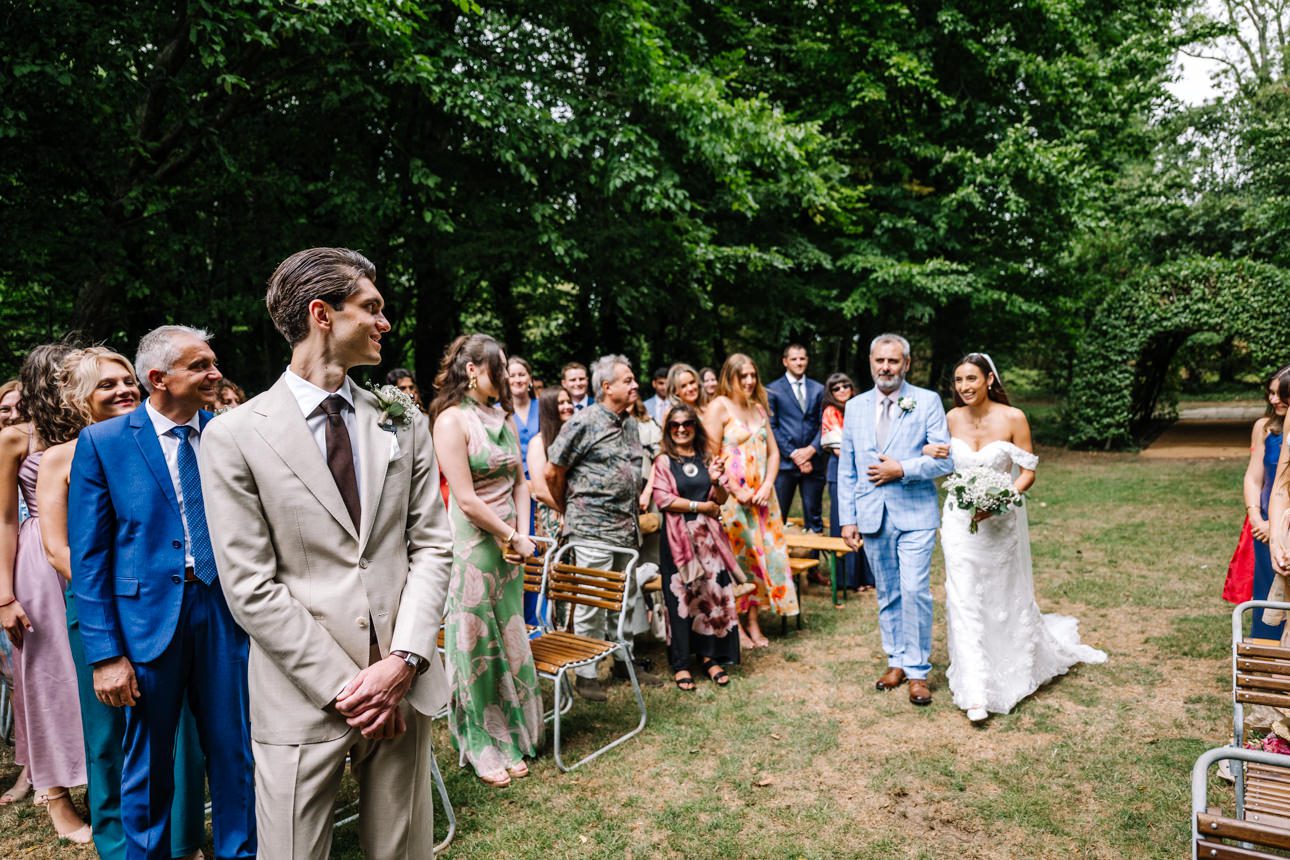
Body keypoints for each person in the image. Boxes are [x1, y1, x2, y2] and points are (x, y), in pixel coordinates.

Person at [200, 247, 452, 857]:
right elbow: (249, 586)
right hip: (301, 692)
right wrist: (354, 689)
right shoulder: (236, 435)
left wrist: (403, 663)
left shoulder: (403, 421)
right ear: (322, 314)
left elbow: (432, 545)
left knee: (401, 850)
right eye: (371, 308)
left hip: (403, 676)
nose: (384, 323)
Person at [69, 326, 255, 860]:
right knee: (147, 759)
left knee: (233, 749)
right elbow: (89, 557)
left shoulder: (228, 434)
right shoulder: (103, 444)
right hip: (146, 621)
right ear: (159, 379)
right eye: (200, 366)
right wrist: (105, 655)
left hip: (224, 609)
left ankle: (239, 852)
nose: (214, 374)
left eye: (213, 363)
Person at [38, 347, 207, 860]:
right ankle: (117, 841)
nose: (122, 391)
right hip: (100, 607)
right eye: (105, 385)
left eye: (125, 381)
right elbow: (56, 546)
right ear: (79, 398)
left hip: (167, 604)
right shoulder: (62, 456)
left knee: (182, 732)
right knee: (110, 730)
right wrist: (112, 600)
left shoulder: (158, 441)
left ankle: (182, 841)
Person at [927, 354, 1106, 722]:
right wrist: (930, 450)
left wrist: (1001, 499)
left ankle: (1012, 669)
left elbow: (1028, 471)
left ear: (989, 379)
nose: (964, 387)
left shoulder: (1014, 417)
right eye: (958, 380)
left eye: (971, 379)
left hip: (1000, 521)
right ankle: (975, 688)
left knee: (1001, 594)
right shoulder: (949, 418)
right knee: (963, 598)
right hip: (960, 523)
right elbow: (941, 460)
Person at [430, 334, 543, 789]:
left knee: (511, 635)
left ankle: (513, 735)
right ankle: (481, 742)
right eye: (498, 368)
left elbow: (521, 480)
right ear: (472, 370)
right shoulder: (450, 421)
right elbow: (465, 498)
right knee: (477, 645)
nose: (505, 377)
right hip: (474, 546)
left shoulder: (504, 416)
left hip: (511, 548)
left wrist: (522, 533)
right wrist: (508, 534)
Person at [0, 343, 90, 842]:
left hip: (93, 549)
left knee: (90, 671)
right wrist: (5, 597)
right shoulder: (16, 438)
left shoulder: (94, 428)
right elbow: (5, 518)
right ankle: (55, 796)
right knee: (47, 675)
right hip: (37, 560)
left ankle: (98, 778)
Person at [838, 334, 954, 708]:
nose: (885, 367)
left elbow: (944, 460)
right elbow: (848, 468)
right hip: (872, 514)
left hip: (916, 513)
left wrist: (902, 468)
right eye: (879, 361)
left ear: (906, 364)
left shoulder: (927, 401)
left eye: (893, 361)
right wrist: (847, 519)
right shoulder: (854, 407)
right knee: (887, 592)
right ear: (871, 363)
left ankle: (918, 670)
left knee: (915, 590)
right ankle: (896, 660)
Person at [545, 354, 661, 700]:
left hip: (626, 529)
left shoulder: (629, 424)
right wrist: (568, 508)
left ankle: (622, 659)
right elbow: (554, 471)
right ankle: (586, 674)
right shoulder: (585, 422)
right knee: (592, 603)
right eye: (628, 380)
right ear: (607, 387)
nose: (635, 385)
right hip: (592, 530)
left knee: (623, 601)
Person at [702, 353, 799, 649]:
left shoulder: (758, 408)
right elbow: (710, 456)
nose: (748, 381)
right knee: (737, 562)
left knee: (761, 560)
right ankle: (736, 626)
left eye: (752, 375)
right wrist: (734, 489)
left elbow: (773, 452)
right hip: (732, 500)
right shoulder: (718, 407)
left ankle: (754, 621)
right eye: (741, 376)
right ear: (728, 377)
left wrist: (768, 485)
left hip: (762, 499)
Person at [651, 403, 741, 690]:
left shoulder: (706, 458)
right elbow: (663, 499)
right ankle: (680, 664)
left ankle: (710, 657)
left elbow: (722, 498)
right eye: (675, 425)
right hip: (677, 541)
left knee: (710, 597)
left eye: (687, 423)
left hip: (708, 540)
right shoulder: (664, 462)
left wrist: (717, 482)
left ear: (695, 427)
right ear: (668, 430)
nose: (681, 429)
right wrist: (701, 505)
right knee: (680, 600)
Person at [1243, 368, 1290, 636]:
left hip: (1282, 523)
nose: (1274, 400)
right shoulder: (1264, 428)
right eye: (1271, 393)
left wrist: (1278, 522)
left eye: (1282, 393)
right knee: (1266, 594)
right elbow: (1253, 476)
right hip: (1264, 530)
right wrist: (1256, 517)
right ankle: (1266, 659)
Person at [766, 343, 826, 533]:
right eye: (794, 359)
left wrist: (810, 450)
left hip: (813, 461)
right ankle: (779, 562)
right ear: (785, 362)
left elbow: (824, 423)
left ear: (807, 360)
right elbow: (772, 427)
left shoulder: (819, 389)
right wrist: (794, 454)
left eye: (802, 358)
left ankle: (814, 561)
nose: (799, 363)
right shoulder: (772, 390)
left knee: (813, 515)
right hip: (785, 463)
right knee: (777, 515)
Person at [822, 372, 873, 592]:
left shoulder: (862, 409)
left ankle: (867, 577)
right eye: (836, 388)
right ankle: (847, 579)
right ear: (830, 392)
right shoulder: (830, 412)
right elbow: (838, 449)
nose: (842, 390)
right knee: (843, 521)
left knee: (864, 522)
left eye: (846, 386)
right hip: (840, 472)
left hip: (864, 472)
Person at [527, 386, 574, 541]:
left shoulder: (574, 440)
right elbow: (540, 491)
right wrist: (568, 512)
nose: (568, 406)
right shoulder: (538, 443)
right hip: (554, 515)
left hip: (577, 514)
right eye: (561, 403)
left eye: (569, 401)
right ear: (549, 408)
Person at [508, 356, 541, 477]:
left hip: (543, 476)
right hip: (513, 479)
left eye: (521, 375)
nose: (517, 380)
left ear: (530, 379)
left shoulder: (544, 406)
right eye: (512, 376)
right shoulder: (497, 411)